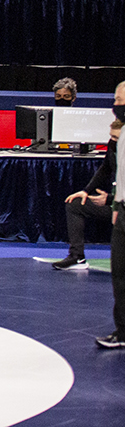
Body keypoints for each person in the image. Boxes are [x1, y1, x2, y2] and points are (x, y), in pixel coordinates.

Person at [56, 120, 121, 270]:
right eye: (112, 137)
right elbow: (105, 169)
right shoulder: (113, 146)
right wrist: (86, 191)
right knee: (75, 205)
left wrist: (110, 199)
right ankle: (76, 257)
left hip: (120, 206)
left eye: (118, 138)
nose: (114, 141)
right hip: (115, 205)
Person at [94, 81, 125, 348]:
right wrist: (116, 205)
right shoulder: (122, 135)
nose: (116, 105)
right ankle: (122, 331)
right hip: (123, 211)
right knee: (119, 272)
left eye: (120, 99)